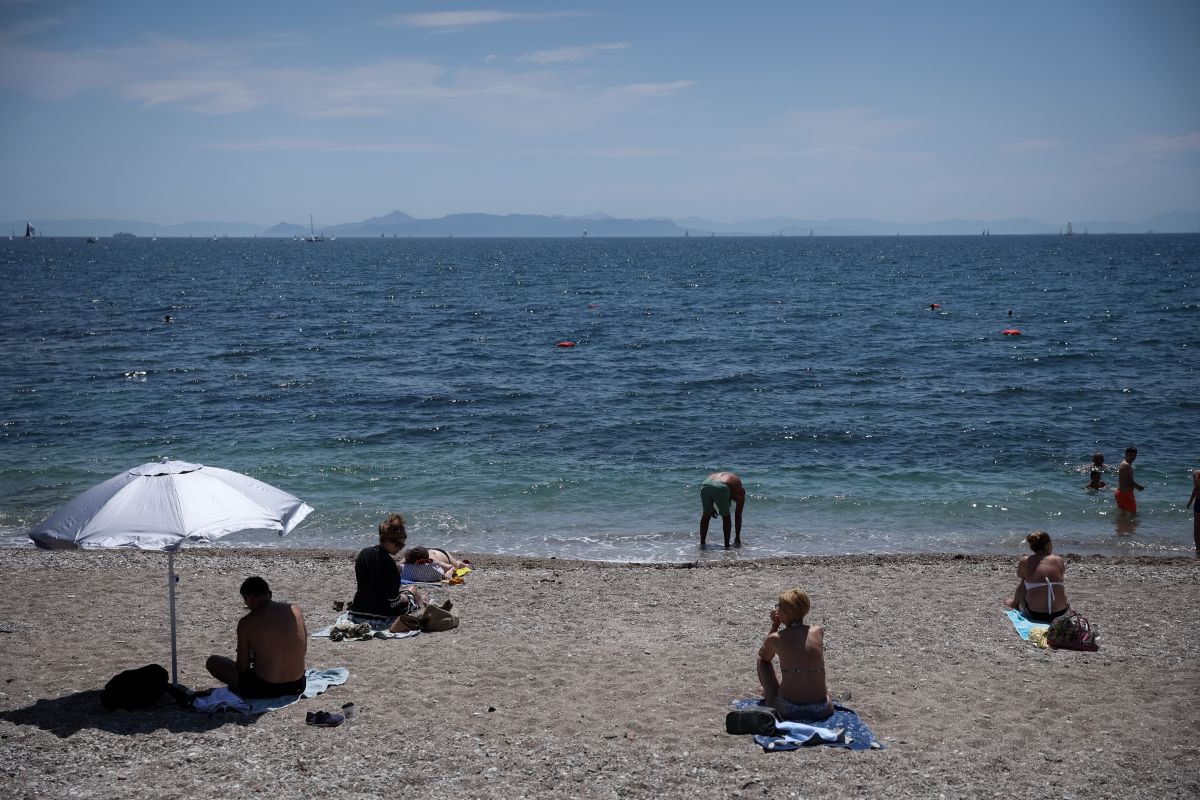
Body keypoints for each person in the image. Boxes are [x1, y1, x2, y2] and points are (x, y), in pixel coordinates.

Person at [206, 576, 307, 699]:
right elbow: (302, 649)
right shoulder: (296, 610)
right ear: (270, 594)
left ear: (249, 598)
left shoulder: (247, 622)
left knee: (213, 662)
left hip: (264, 688)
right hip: (297, 685)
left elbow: (243, 668)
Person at [756, 589, 834, 721]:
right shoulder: (818, 632)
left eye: (778, 606)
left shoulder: (776, 638)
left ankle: (769, 696)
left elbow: (764, 653)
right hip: (823, 708)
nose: (776, 609)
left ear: (786, 613)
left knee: (762, 661)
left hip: (789, 709)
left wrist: (775, 625)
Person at [349, 513, 411, 618]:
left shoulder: (364, 553)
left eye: (403, 546)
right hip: (382, 614)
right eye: (398, 545)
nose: (400, 549)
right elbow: (393, 600)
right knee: (412, 593)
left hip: (359, 609)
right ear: (387, 540)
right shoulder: (388, 563)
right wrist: (405, 598)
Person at [1004, 531, 1071, 623]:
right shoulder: (1059, 560)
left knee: (1024, 579)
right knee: (1055, 581)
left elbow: (1019, 574)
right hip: (1060, 613)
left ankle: (1015, 603)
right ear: (1048, 544)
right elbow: (1061, 574)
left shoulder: (1025, 561)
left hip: (1035, 614)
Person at [699, 471, 745, 548]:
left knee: (706, 515)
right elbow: (738, 515)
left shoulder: (731, 480)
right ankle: (727, 546)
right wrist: (737, 538)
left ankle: (702, 543)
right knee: (726, 517)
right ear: (742, 492)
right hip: (721, 486)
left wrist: (711, 508)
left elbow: (712, 488)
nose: (734, 500)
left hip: (705, 484)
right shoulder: (740, 492)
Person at [1115, 447, 1145, 515]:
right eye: (1130, 455)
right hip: (1126, 494)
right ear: (1126, 455)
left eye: (1134, 455)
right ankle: (1131, 525)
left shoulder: (1124, 464)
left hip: (1121, 493)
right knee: (1133, 513)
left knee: (1123, 512)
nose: (1133, 457)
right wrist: (1138, 487)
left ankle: (1121, 524)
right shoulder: (1126, 465)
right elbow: (1128, 480)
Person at [1187, 469, 1200, 553]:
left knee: (1197, 527)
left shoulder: (1196, 473)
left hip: (1198, 503)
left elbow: (1195, 491)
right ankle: (1198, 547)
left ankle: (1198, 547)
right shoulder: (1196, 488)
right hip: (1198, 504)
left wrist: (1189, 503)